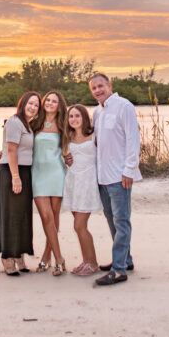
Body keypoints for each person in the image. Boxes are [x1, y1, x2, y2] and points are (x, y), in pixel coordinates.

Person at [89, 72, 141, 286]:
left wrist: (129, 169)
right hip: (103, 177)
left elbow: (133, 139)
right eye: (93, 88)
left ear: (109, 85)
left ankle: (118, 270)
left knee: (122, 221)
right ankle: (125, 260)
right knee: (112, 221)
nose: (97, 90)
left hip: (120, 176)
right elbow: (94, 143)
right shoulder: (96, 112)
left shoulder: (124, 106)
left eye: (100, 86)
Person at [0, 91, 39, 275]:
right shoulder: (14, 121)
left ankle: (19, 255)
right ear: (23, 103)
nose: (33, 107)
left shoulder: (28, 125)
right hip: (11, 172)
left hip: (25, 172)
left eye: (36, 105)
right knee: (10, 215)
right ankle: (7, 257)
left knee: (22, 215)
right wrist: (15, 177)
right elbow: (11, 150)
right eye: (30, 103)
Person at [60, 103, 102, 276]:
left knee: (79, 226)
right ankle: (86, 261)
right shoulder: (67, 137)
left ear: (84, 117)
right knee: (78, 226)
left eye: (78, 116)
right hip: (73, 182)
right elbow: (60, 155)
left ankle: (93, 264)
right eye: (71, 116)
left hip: (88, 182)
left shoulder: (94, 135)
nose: (74, 119)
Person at [31, 90, 68, 275]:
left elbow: (71, 147)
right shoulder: (34, 122)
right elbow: (20, 143)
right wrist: (4, 152)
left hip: (56, 173)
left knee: (53, 218)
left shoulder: (63, 125)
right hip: (37, 174)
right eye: (48, 100)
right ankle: (59, 258)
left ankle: (47, 257)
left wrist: (72, 159)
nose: (50, 103)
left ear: (59, 105)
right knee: (46, 217)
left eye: (54, 101)